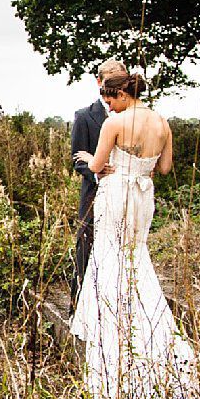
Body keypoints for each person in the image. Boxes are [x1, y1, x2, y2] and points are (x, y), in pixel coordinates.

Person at [71, 72, 197, 399]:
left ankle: (112, 321)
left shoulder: (115, 123)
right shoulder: (162, 123)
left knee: (110, 253)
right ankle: (148, 318)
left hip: (116, 196)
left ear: (124, 95)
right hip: (143, 196)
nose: (109, 105)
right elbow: (165, 168)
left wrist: (86, 158)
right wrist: (142, 167)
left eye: (111, 99)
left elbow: (98, 166)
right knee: (136, 254)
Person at [70, 59, 128, 311]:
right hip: (94, 195)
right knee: (86, 249)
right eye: (110, 82)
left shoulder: (134, 117)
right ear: (99, 82)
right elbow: (77, 158)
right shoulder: (85, 116)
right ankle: (78, 309)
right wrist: (96, 171)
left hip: (125, 196)